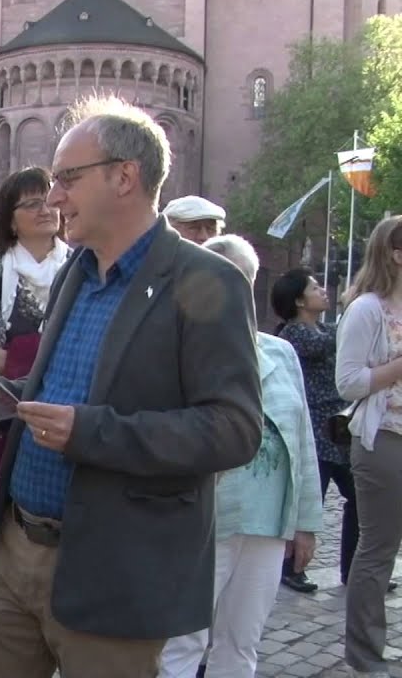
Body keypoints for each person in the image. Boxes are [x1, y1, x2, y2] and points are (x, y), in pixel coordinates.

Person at [0, 95, 262, 678]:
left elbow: (235, 429)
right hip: (12, 552)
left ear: (125, 176)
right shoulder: (76, 271)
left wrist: (94, 433)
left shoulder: (206, 280)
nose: (55, 195)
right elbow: (62, 385)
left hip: (115, 569)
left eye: (68, 177)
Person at [159, 235, 322, 678]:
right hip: (205, 517)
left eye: (244, 280)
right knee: (182, 641)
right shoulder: (178, 348)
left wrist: (305, 523)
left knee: (242, 641)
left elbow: (302, 438)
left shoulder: (281, 352)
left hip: (268, 521)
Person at [0, 167, 70, 535]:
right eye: (30, 204)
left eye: (48, 199)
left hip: (63, 435)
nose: (45, 209)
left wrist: (21, 353)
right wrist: (56, 357)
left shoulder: (81, 269)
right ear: (10, 221)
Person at [272, 268, 369, 595]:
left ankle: (353, 568)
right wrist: (353, 307)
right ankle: (290, 568)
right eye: (315, 288)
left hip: (336, 432)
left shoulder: (324, 328)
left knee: (357, 499)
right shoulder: (295, 333)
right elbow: (330, 342)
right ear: (299, 300)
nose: (324, 291)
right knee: (302, 505)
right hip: (312, 433)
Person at [335, 216, 402, 678]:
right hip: (384, 442)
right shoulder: (368, 310)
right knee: (378, 548)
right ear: (395, 254)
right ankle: (364, 655)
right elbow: (349, 382)